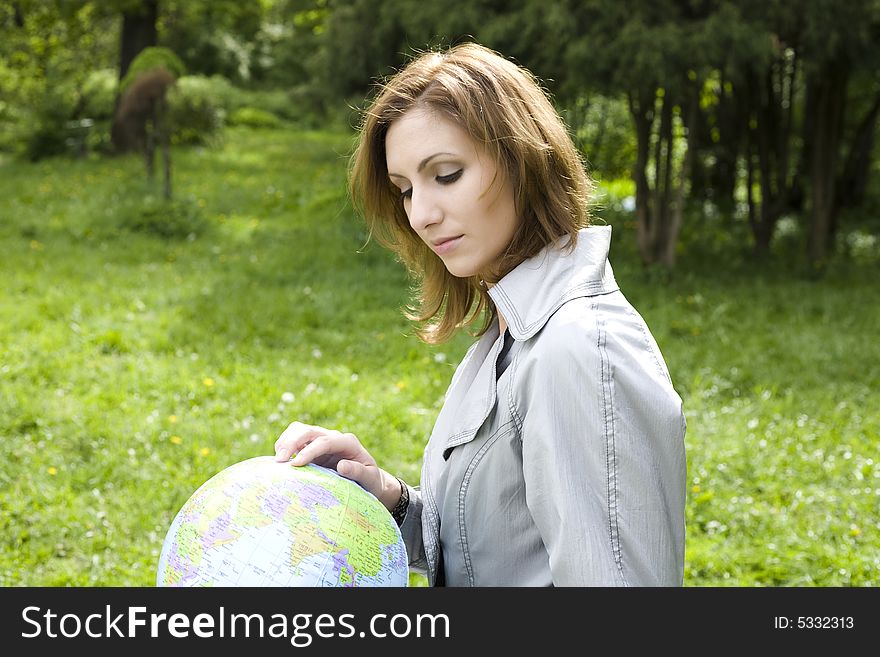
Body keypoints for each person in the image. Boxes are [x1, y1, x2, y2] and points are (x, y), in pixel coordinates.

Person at [274, 42, 686, 586]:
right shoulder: (509, 332)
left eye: (445, 175)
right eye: (404, 190)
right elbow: (502, 552)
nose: (421, 214)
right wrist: (389, 501)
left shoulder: (579, 348)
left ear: (523, 158)